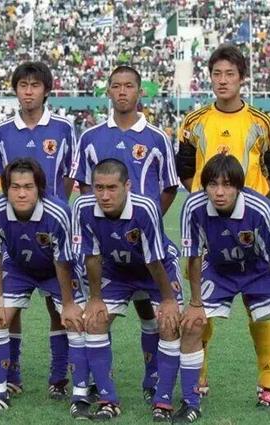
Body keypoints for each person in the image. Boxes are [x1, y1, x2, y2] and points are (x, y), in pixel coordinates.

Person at [176, 44, 270, 406]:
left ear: (242, 79)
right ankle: (200, 375)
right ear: (210, 78)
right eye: (217, 74)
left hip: (250, 228)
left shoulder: (262, 123)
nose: (222, 81)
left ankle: (267, 382)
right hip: (208, 229)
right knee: (201, 304)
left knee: (261, 306)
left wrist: (253, 206)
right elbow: (186, 170)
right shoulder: (194, 122)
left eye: (230, 74)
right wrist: (207, 202)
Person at [70, 65, 179, 404]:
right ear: (108, 91)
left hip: (147, 247)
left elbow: (169, 187)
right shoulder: (90, 137)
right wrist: (110, 228)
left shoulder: (157, 137)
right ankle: (96, 384)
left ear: (139, 91)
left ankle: (153, 376)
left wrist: (143, 226)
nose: (122, 92)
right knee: (98, 315)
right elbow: (85, 188)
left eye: (128, 86)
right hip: (108, 249)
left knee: (151, 312)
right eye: (116, 86)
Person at [174, 154, 270, 424]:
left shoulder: (260, 208)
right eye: (212, 184)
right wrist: (195, 303)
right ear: (204, 185)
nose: (219, 192)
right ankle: (190, 403)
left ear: (239, 186)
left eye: (227, 185)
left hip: (261, 267)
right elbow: (194, 256)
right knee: (192, 324)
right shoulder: (193, 206)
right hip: (219, 267)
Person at [72, 159, 183, 421]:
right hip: (116, 270)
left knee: (168, 324)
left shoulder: (145, 208)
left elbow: (154, 261)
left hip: (156, 268)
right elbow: (91, 256)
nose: (104, 195)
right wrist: (95, 298)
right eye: (99, 188)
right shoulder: (82, 207)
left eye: (112, 188)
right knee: (95, 322)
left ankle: (162, 399)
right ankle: (108, 399)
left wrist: (168, 300)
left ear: (128, 186)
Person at [0, 61, 76, 398]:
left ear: (46, 90)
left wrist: (55, 206)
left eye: (35, 85)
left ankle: (58, 378)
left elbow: (69, 174)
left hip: (54, 230)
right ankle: (11, 374)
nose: (28, 92)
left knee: (59, 307)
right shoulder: (2, 131)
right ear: (16, 90)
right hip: (16, 231)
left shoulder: (64, 128)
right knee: (9, 309)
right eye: (23, 85)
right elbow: (2, 179)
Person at [0, 158, 87, 417]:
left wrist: (69, 304)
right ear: (6, 189)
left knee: (75, 322)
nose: (21, 193)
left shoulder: (58, 212)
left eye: (28, 186)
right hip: (18, 268)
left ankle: (77, 393)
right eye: (15, 187)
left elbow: (63, 261)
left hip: (55, 269)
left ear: (40, 188)